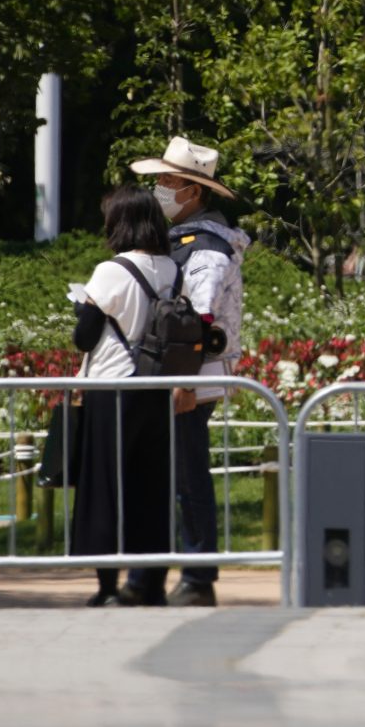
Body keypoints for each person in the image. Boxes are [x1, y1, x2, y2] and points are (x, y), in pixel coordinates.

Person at [130, 136, 247, 608]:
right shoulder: (187, 240)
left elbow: (193, 323)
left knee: (188, 476)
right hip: (183, 375)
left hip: (191, 377)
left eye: (168, 181)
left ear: (194, 191)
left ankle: (198, 575)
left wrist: (180, 381)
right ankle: (158, 575)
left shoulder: (208, 248)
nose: (159, 188)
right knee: (172, 476)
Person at [67, 184, 179, 607]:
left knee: (105, 488)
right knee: (151, 488)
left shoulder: (110, 271)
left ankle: (108, 586)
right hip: (155, 389)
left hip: (112, 389)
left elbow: (84, 338)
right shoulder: (172, 269)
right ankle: (152, 584)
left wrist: (83, 310)